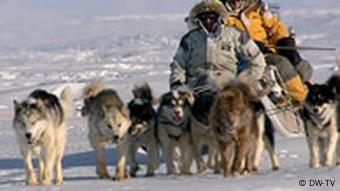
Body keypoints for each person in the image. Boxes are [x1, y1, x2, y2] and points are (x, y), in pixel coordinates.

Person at [220, 0, 310, 104]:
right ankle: (301, 99)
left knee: (302, 66)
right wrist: (249, 46)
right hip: (247, 58)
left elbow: (275, 27)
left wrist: (284, 41)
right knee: (281, 64)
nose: (237, 4)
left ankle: (299, 91)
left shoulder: (256, 9)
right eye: (232, 2)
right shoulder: (220, 17)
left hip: (268, 49)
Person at [170, 0, 266, 92]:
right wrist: (177, 84)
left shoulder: (234, 34)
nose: (208, 21)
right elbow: (178, 65)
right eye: (204, 18)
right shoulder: (189, 39)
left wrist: (244, 81)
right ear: (198, 19)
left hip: (227, 87)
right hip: (196, 88)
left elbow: (257, 59)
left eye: (212, 17)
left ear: (218, 17)